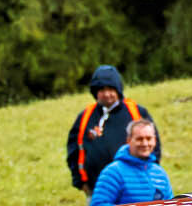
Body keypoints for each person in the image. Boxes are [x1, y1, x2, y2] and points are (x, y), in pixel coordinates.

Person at [66, 64, 155, 195]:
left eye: (111, 89)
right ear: (95, 92)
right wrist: (80, 181)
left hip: (134, 189)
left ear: (118, 90)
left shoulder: (136, 112)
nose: (107, 94)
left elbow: (153, 146)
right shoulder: (85, 116)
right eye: (102, 90)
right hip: (96, 190)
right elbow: (73, 150)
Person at [89, 118, 173, 206]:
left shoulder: (160, 173)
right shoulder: (113, 172)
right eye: (139, 139)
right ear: (129, 140)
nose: (145, 144)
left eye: (149, 139)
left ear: (155, 140)